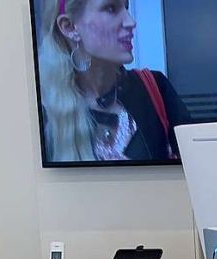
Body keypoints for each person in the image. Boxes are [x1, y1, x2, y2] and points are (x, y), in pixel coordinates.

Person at [37, 0, 191, 162]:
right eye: (111, 8)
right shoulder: (45, 112)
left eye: (126, 8)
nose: (131, 22)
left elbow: (197, 164)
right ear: (69, 27)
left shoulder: (155, 87)